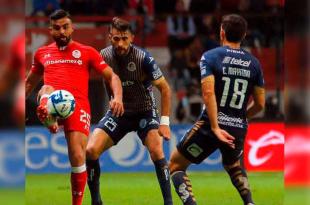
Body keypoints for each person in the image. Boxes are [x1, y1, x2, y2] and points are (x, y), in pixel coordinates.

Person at [25, 9, 124, 205]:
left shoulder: (87, 52)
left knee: (78, 156)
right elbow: (29, 83)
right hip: (51, 99)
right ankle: (49, 117)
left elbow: (112, 76)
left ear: (72, 28)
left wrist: (118, 97)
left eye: (65, 27)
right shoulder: (42, 53)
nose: (61, 31)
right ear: (50, 30)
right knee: (45, 87)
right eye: (56, 28)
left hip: (77, 106)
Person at [169, 14, 265, 205]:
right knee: (233, 165)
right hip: (237, 127)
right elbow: (261, 104)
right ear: (244, 35)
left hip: (211, 125)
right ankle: (250, 202)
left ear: (222, 32)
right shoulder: (254, 63)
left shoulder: (211, 56)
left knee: (175, 165)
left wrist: (214, 126)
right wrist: (239, 118)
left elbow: (208, 93)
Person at [86, 17, 173, 205]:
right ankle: (96, 201)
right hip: (119, 113)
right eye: (116, 38)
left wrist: (164, 123)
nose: (120, 43)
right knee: (91, 150)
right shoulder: (103, 55)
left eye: (124, 38)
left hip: (145, 111)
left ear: (132, 38)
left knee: (157, 150)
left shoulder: (144, 59)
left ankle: (169, 203)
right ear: (110, 37)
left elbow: (165, 89)